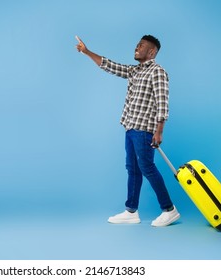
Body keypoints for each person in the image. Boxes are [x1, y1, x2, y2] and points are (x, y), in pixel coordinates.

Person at [75, 34, 180, 227]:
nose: (136, 48)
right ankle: (131, 211)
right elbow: (110, 65)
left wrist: (159, 131)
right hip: (130, 127)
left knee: (147, 168)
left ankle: (169, 210)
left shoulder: (157, 72)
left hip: (144, 130)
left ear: (152, 51)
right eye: (136, 45)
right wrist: (86, 51)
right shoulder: (135, 71)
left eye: (141, 46)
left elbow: (162, 102)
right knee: (132, 169)